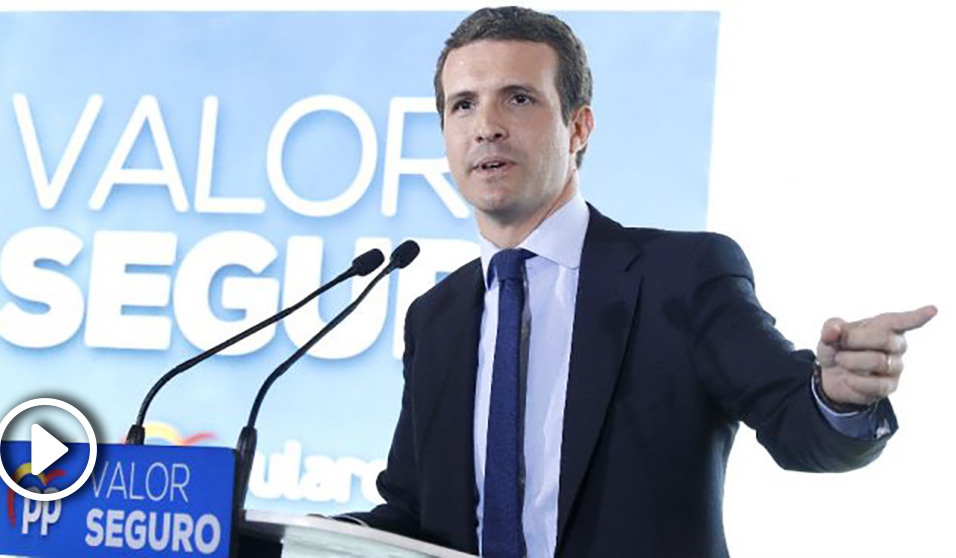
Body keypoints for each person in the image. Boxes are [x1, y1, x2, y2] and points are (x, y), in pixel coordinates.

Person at [343, 7, 938, 557]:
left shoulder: (683, 275)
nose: (486, 127)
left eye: (518, 99)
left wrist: (836, 397)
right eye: (463, 105)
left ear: (579, 128)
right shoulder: (435, 316)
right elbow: (417, 512)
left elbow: (798, 426)